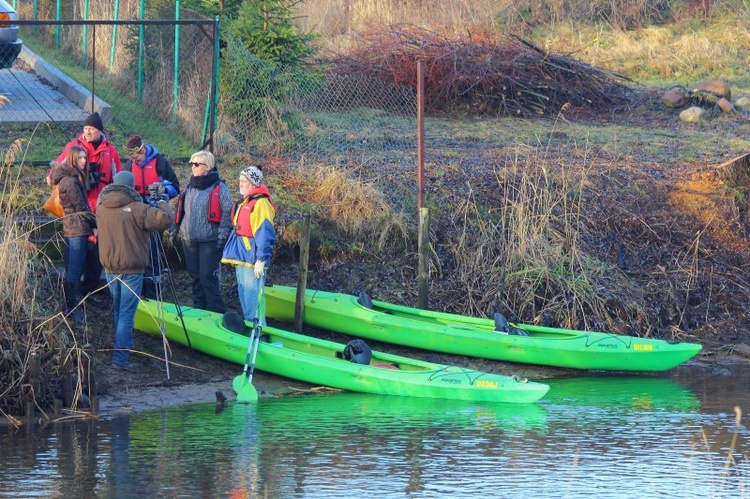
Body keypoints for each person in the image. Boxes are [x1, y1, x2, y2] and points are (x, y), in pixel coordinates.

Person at [96, 171, 172, 370]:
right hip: (132, 269)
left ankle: (120, 352)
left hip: (110, 268)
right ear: (131, 187)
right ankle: (120, 359)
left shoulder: (101, 206)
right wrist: (162, 202)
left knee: (119, 312)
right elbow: (164, 221)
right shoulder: (138, 208)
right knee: (127, 315)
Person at [55, 112, 122, 308]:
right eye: (85, 129)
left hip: (101, 208)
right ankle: (72, 297)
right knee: (76, 254)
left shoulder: (111, 151)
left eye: (91, 129)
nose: (88, 132)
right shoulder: (73, 147)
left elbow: (116, 178)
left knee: (96, 254)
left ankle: (90, 291)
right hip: (78, 210)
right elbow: (56, 171)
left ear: (100, 130)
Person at [174, 150, 233, 313]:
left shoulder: (220, 188)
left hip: (210, 240)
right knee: (196, 277)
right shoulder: (189, 188)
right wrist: (175, 230)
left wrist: (222, 237)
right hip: (189, 239)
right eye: (192, 163)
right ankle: (199, 308)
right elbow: (180, 212)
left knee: (208, 277)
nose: (193, 167)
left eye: (197, 164)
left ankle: (216, 311)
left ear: (208, 167)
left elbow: (227, 213)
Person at [123, 135, 181, 299]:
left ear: (143, 151)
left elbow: (176, 187)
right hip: (135, 216)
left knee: (153, 253)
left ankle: (153, 291)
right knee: (137, 252)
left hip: (154, 215)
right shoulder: (129, 165)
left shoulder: (160, 163)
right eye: (133, 159)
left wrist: (163, 190)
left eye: (138, 158)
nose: (136, 161)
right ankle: (138, 291)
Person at [221, 166, 276, 324]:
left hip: (253, 258)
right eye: (240, 181)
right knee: (244, 293)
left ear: (254, 184)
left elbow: (265, 233)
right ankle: (250, 323)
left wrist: (261, 259)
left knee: (253, 295)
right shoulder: (246, 201)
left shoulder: (261, 204)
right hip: (242, 256)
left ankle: (258, 328)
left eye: (244, 181)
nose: (241, 184)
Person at [47, 146, 95, 324]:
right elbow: (81, 207)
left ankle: (71, 305)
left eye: (85, 158)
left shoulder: (71, 178)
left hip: (72, 227)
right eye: (80, 158)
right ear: (73, 159)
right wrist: (96, 224)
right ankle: (71, 309)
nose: (83, 161)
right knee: (74, 270)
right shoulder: (71, 181)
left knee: (71, 268)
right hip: (76, 228)